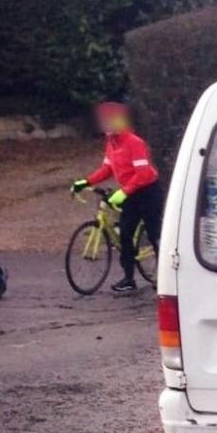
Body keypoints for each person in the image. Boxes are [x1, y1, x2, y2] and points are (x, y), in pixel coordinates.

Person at [71, 102, 161, 293]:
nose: (107, 126)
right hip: (131, 192)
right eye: (105, 122)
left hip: (148, 192)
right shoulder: (111, 144)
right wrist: (86, 182)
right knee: (125, 235)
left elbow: (144, 173)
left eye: (110, 121)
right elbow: (107, 169)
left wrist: (124, 191)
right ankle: (129, 279)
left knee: (155, 234)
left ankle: (164, 277)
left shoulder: (134, 142)